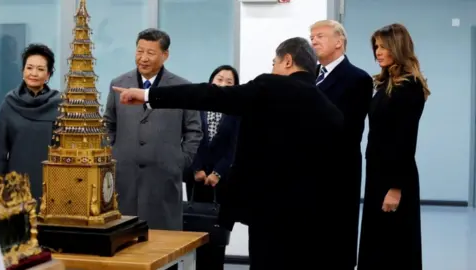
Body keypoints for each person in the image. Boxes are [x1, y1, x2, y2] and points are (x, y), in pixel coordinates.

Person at [113, 37, 346, 269]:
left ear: (287, 61)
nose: (272, 68)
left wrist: (148, 95)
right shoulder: (330, 110)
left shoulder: (270, 87)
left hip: (267, 209)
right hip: (312, 213)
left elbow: (212, 95)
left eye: (274, 62)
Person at [103, 28, 203, 230]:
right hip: (124, 177)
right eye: (140, 51)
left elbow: (194, 131)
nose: (143, 58)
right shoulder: (118, 84)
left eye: (150, 52)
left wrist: (179, 161)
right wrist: (112, 153)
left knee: (163, 241)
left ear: (165, 55)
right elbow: (108, 124)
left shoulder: (181, 88)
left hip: (164, 177)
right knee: (122, 240)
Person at [357, 23, 429, 270]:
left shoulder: (408, 87)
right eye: (376, 46)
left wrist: (396, 187)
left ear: (398, 48)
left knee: (393, 248)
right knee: (378, 244)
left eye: (384, 46)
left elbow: (405, 139)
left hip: (394, 177)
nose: (378, 51)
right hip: (379, 173)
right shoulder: (388, 84)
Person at [310, 19, 374, 269]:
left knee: (336, 241)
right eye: (312, 36)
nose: (314, 40)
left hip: (337, 171)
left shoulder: (357, 79)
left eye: (320, 36)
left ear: (339, 42)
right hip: (306, 172)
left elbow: (349, 130)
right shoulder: (308, 76)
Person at [184, 65, 240, 270]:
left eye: (229, 81)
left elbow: (235, 145)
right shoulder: (197, 107)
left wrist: (218, 172)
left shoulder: (237, 111)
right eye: (219, 79)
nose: (223, 84)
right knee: (193, 231)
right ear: (211, 82)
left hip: (223, 180)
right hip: (195, 177)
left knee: (217, 233)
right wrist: (196, 168)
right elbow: (190, 138)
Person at [0, 43, 61, 203]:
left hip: (52, 182)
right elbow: (0, 151)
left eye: (40, 69)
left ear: (48, 75)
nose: (34, 73)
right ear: (22, 71)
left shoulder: (59, 104)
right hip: (16, 183)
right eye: (29, 68)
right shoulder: (9, 103)